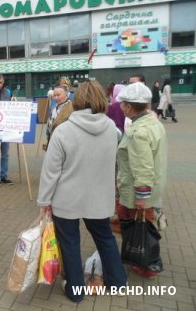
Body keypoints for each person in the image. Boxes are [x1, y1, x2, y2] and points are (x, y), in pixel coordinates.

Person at [37, 80, 127, 303]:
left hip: (67, 199)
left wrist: (44, 200)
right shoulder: (112, 130)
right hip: (99, 197)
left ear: (75, 101)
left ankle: (75, 291)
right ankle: (117, 281)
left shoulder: (63, 131)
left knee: (69, 243)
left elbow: (51, 172)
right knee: (105, 238)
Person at [116, 82, 167, 278]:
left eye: (122, 104)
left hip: (138, 189)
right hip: (153, 186)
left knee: (141, 226)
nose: (120, 107)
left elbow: (143, 166)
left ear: (129, 107)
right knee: (141, 223)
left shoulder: (138, 132)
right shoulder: (154, 123)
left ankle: (145, 265)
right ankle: (140, 258)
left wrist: (141, 196)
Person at [44, 78, 73, 150]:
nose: (56, 98)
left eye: (66, 86)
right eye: (54, 95)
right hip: (53, 138)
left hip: (65, 141)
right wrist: (48, 137)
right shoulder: (54, 104)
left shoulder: (72, 105)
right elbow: (50, 120)